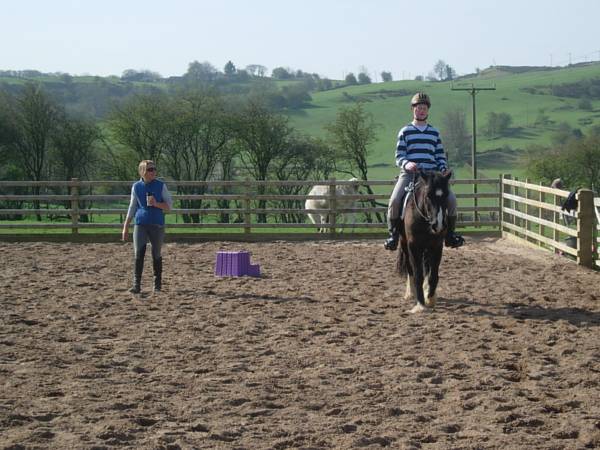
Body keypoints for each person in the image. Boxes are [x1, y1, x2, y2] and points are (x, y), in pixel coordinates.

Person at [384, 92, 464, 251]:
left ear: (428, 110)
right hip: (410, 174)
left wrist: (443, 168)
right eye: (418, 108)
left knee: (452, 200)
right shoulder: (405, 131)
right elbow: (399, 155)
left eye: (424, 108)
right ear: (413, 109)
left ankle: (450, 235)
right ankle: (393, 235)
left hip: (432, 176)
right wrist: (407, 164)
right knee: (394, 200)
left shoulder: (434, 132)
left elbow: (440, 155)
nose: (421, 111)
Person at [122, 160, 173, 293]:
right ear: (142, 171)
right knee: (139, 253)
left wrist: (156, 204)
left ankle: (157, 285)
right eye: (150, 169)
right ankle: (136, 284)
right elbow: (132, 207)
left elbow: (169, 207)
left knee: (156, 253)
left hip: (157, 224)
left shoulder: (161, 186)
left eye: (154, 169)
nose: (153, 172)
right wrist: (126, 226)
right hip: (141, 223)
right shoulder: (136, 186)